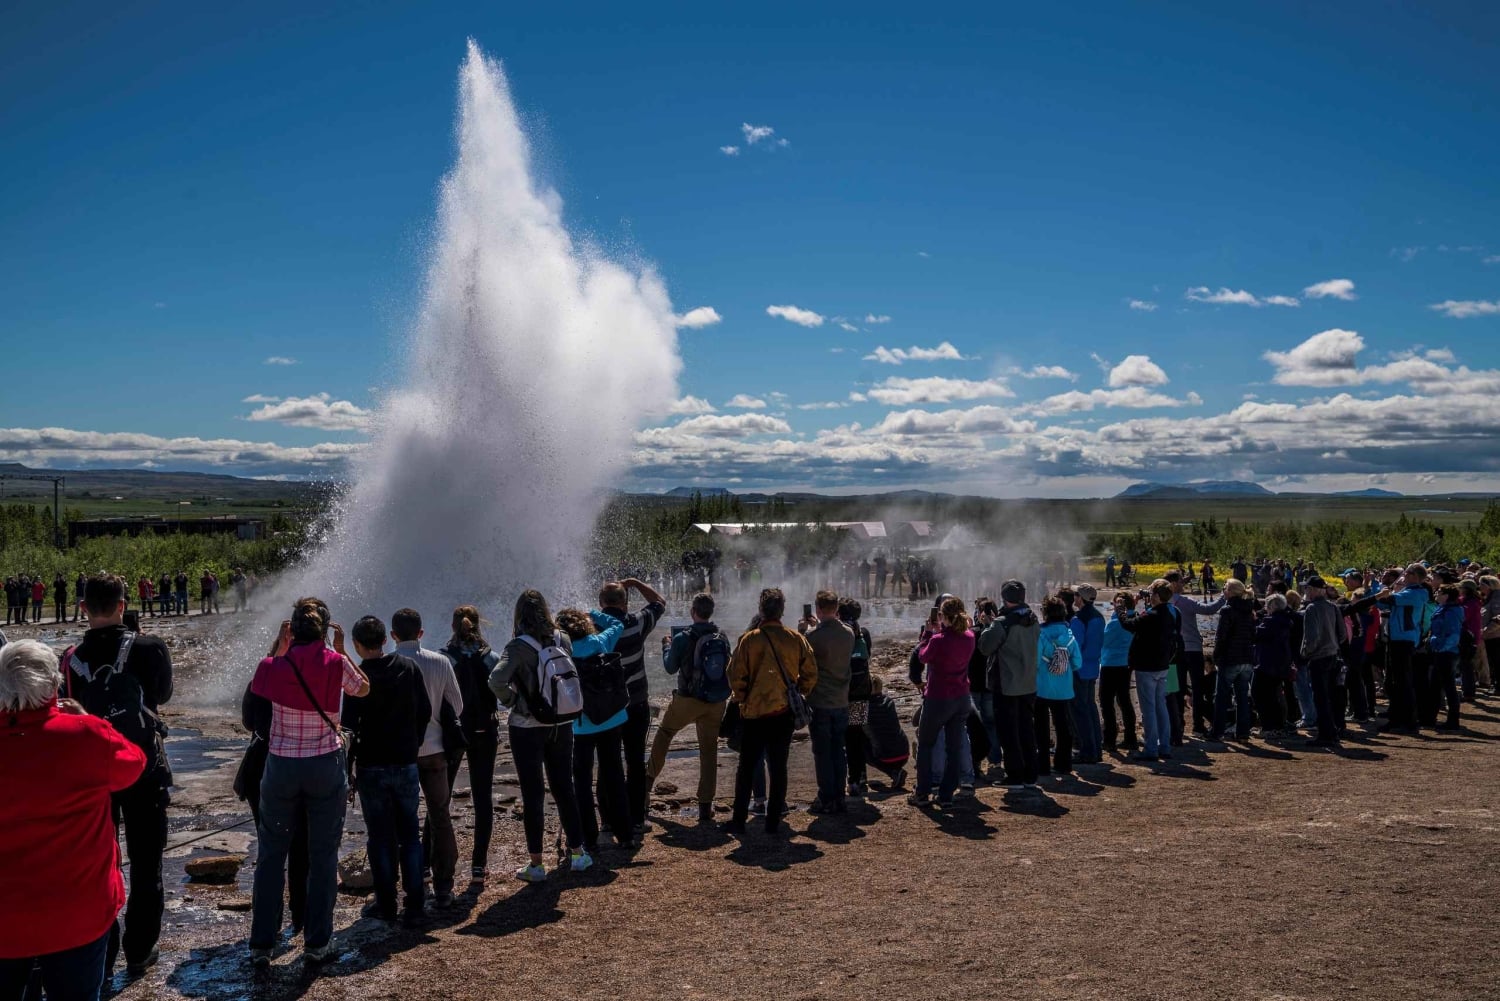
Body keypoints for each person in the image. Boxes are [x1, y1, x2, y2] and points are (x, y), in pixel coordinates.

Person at [0, 639, 147, 1001]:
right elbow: (134, 765)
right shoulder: (84, 736)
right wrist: (87, 719)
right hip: (79, 912)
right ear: (53, 684)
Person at [247, 598, 370, 967]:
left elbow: (259, 685)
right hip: (323, 767)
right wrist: (340, 650)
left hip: (282, 766)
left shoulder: (275, 665)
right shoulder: (334, 663)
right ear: (325, 628)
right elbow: (363, 688)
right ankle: (318, 941)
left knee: (271, 856)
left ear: (292, 630)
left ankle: (261, 944)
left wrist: (278, 647)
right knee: (322, 855)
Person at [63, 573, 174, 979]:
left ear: (83, 609)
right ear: (123, 605)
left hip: (94, 775)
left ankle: (103, 953)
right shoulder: (149, 647)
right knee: (148, 863)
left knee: (99, 863)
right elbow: (161, 697)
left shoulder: (71, 657)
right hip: (143, 767)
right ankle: (141, 949)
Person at [487, 590, 591, 881]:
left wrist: (513, 702)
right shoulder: (562, 639)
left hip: (527, 727)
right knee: (564, 788)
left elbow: (496, 680)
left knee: (533, 794)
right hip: (561, 722)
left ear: (519, 615)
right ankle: (578, 853)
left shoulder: (518, 646)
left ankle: (536, 865)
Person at [342, 616, 431, 925]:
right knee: (410, 834)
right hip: (405, 763)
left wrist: (348, 767)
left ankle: (386, 902)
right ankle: (416, 901)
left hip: (372, 766)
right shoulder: (408, 669)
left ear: (357, 644)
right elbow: (425, 711)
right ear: (385, 641)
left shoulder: (358, 679)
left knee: (380, 837)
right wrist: (413, 744)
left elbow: (349, 728)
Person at [725, 588, 817, 835]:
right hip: (783, 713)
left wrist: (742, 698)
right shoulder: (795, 639)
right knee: (779, 768)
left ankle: (739, 820)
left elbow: (734, 675)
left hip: (753, 715)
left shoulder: (749, 640)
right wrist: (800, 691)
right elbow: (810, 672)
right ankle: (773, 821)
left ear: (761, 609)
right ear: (782, 611)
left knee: (746, 768)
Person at [390, 608, 463, 907]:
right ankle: (444, 886)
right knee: (440, 816)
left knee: (401, 821)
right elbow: (456, 707)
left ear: (393, 635)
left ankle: (408, 885)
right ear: (421, 633)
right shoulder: (440, 661)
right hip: (435, 752)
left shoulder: (386, 665)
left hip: (399, 755)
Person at [649, 592, 732, 820]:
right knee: (709, 750)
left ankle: (645, 785)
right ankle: (705, 805)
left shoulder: (682, 638)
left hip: (688, 700)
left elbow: (669, 668)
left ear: (692, 612)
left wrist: (666, 646)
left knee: (665, 733)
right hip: (715, 702)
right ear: (710, 612)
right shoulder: (722, 636)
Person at [597, 577, 666, 839]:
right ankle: (636, 819)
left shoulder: (592, 628)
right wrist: (636, 583)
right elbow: (659, 602)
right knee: (635, 762)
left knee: (606, 761)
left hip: (605, 709)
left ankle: (607, 821)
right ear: (625, 603)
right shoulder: (636, 623)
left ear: (601, 603)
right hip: (636, 703)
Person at [558, 607, 629, 857]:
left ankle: (589, 838)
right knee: (614, 776)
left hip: (581, 724)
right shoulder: (600, 641)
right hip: (611, 718)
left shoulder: (563, 650)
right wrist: (594, 613)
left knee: (582, 782)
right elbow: (618, 624)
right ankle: (626, 834)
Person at [441, 605, 502, 883]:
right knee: (482, 797)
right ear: (479, 626)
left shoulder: (444, 659)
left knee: (440, 797)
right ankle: (478, 865)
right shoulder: (493, 658)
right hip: (485, 731)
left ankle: (433, 864)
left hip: (453, 732)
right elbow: (503, 693)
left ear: (453, 627)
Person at [909, 596, 976, 808]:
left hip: (939, 698)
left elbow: (922, 656)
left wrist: (928, 634)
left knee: (927, 745)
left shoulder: (938, 640)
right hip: (962, 697)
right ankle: (946, 794)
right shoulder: (969, 636)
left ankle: (923, 792)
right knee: (954, 747)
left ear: (943, 616)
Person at [978, 580, 1041, 789]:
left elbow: (985, 647)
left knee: (1008, 732)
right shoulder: (1032, 618)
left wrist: (987, 625)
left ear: (1003, 598)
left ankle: (1014, 776)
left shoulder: (1002, 622)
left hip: (1007, 684)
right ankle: (1030, 775)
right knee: (1026, 730)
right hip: (1029, 682)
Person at [799, 589, 856, 814]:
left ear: (819, 609)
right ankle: (839, 796)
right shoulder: (849, 633)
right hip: (841, 700)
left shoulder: (813, 636)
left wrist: (805, 630)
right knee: (838, 749)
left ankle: (826, 796)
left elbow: (802, 657)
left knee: (822, 752)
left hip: (820, 700)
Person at [1120, 581, 1177, 762]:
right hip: (1162, 665)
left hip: (1147, 667)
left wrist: (1121, 612)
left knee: (1149, 709)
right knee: (1160, 706)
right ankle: (1165, 746)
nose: (1149, 595)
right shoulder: (1169, 613)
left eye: (1152, 593)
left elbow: (1130, 624)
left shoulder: (1152, 615)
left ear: (1157, 596)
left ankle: (1151, 748)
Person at [1166, 571, 1225, 737]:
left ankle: (1176, 726)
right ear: (1173, 583)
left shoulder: (1162, 602)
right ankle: (1198, 726)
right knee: (1197, 688)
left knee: (1174, 688)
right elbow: (1208, 610)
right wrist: (1223, 597)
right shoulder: (1183, 601)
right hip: (1192, 649)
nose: (1183, 583)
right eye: (1180, 581)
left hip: (1172, 651)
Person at [1035, 596, 1081, 776]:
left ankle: (1043, 765)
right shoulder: (1069, 636)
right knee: (1063, 725)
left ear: (1045, 613)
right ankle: (1064, 763)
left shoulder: (1040, 634)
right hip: (1064, 688)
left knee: (1041, 726)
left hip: (1042, 686)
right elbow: (1078, 662)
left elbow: (1036, 661)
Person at [1210, 579, 1257, 742]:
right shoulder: (1249, 610)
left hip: (1230, 658)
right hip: (1247, 658)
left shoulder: (1227, 610)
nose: (1223, 590)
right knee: (1242, 697)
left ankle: (1217, 731)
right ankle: (1243, 732)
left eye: (1225, 588)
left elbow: (1221, 636)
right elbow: (1253, 634)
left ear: (1230, 592)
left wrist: (1216, 656)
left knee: (1221, 696)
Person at [840, 599, 876, 797]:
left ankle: (844, 779)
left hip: (841, 692)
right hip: (861, 692)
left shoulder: (839, 633)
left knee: (841, 737)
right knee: (856, 735)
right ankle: (859, 779)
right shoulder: (864, 633)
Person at [1068, 585, 1104, 764]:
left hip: (1079, 669)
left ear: (1080, 598)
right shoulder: (1098, 616)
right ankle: (1097, 747)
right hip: (1093, 667)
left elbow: (1075, 647)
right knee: (1091, 707)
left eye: (1075, 595)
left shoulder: (1078, 619)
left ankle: (1087, 751)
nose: (1074, 598)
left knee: (1080, 711)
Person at [1098, 592, 1139, 752]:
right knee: (1125, 701)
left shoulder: (1115, 623)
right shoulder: (1133, 619)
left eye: (1115, 603)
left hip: (1110, 664)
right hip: (1125, 664)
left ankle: (1110, 738)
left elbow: (1103, 640)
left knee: (1107, 702)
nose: (1113, 606)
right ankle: (1130, 737)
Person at [1253, 593, 1295, 736]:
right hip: (1281, 663)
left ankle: (1268, 727)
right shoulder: (1286, 620)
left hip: (1267, 664)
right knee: (1274, 695)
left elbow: (1256, 634)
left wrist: (1253, 621)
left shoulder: (1271, 621)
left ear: (1272, 606)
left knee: (1259, 695)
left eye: (1267, 606)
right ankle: (1278, 726)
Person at [1425, 585, 1464, 731]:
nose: (1436, 593)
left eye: (1439, 592)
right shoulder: (1444, 608)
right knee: (1435, 686)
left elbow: (1453, 634)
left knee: (1448, 687)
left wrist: (1440, 647)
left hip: (1447, 653)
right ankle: (1430, 718)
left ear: (1447, 595)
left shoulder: (1451, 611)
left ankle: (1453, 721)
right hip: (1441, 651)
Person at [861, 675, 910, 788]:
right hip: (903, 750)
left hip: (885, 756)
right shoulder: (889, 701)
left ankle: (860, 779)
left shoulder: (863, 707)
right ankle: (895, 772)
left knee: (856, 740)